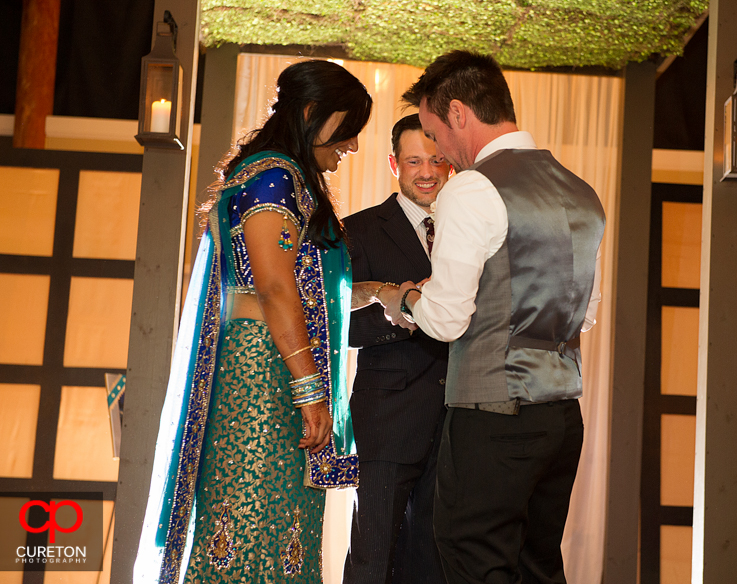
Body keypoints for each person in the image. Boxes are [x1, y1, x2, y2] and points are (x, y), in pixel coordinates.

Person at [134, 59, 372, 584]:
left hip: (273, 362)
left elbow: (309, 286)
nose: (352, 145)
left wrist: (377, 294)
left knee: (277, 525)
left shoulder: (276, 174)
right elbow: (275, 285)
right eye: (348, 128)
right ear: (312, 114)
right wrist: (310, 389)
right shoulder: (273, 177)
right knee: (248, 520)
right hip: (264, 372)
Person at [382, 51, 605, 583]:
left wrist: (405, 298)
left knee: (471, 559)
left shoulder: (474, 187)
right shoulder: (581, 190)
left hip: (493, 415)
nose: (438, 153)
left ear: (458, 113)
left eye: (435, 134)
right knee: (537, 566)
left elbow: (446, 318)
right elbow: (586, 313)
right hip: (561, 418)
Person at [342, 114, 451, 584]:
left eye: (435, 159)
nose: (426, 172)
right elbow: (341, 324)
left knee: (431, 564)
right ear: (393, 164)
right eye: (413, 161)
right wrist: (409, 312)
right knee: (372, 560)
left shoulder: (466, 227)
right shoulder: (358, 230)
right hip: (387, 421)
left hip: (456, 424)